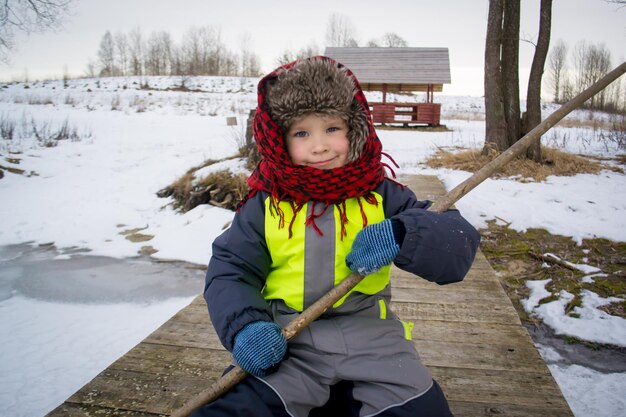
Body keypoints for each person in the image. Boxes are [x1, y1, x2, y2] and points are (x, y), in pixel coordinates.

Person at [192, 56, 480, 417]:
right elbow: (231, 269)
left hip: (375, 340)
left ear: (355, 128)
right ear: (279, 140)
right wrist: (245, 326)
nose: (320, 146)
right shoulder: (267, 203)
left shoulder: (381, 193)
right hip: (288, 339)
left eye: (332, 128)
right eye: (301, 133)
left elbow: (456, 243)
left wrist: (405, 232)